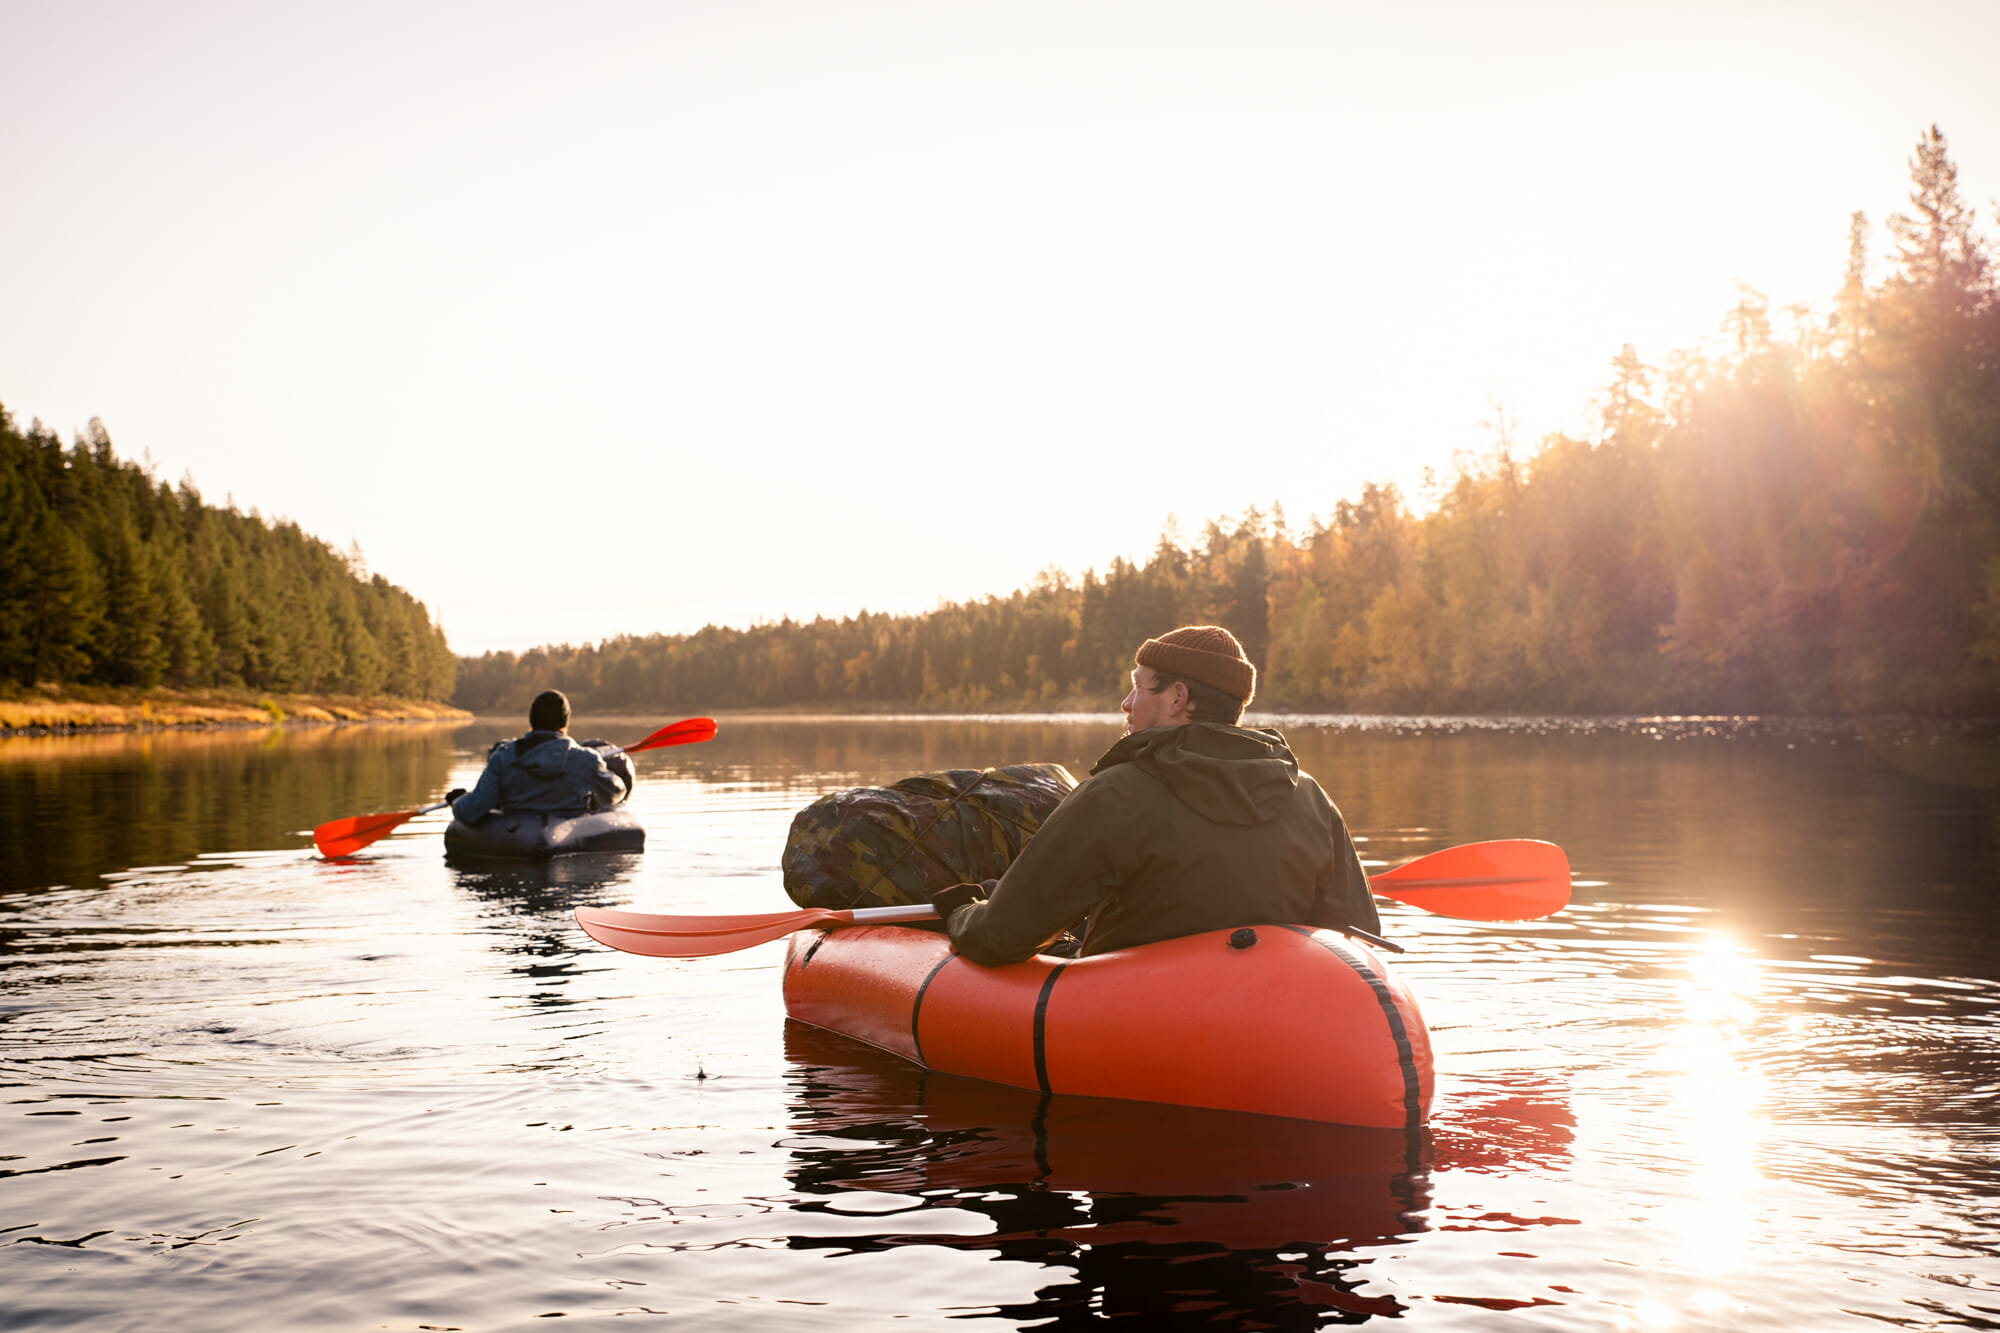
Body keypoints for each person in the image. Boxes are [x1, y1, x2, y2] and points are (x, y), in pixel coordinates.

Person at [936, 625, 1380, 965]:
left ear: (1177, 698)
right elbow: (1357, 935)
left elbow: (1002, 934)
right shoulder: (1311, 797)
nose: (1126, 704)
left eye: (1139, 686)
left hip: (1135, 1024)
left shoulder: (1116, 794)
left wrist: (962, 911)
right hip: (1271, 1026)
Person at [447, 689, 635, 823]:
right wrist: (593, 798)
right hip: (566, 839)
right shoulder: (586, 759)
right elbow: (616, 793)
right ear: (565, 723)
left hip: (517, 841)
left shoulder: (503, 757)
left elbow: (472, 809)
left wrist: (458, 800)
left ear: (532, 721)